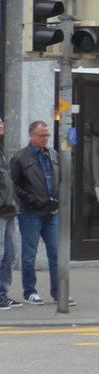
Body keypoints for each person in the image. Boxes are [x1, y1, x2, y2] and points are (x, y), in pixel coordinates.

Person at [9, 120, 72, 306]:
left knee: (56, 253)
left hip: (51, 211)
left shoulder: (52, 154)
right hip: (30, 213)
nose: (45, 139)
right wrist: (30, 198)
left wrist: (59, 198)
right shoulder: (20, 158)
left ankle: (58, 292)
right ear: (32, 135)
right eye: (42, 135)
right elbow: (14, 185)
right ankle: (30, 291)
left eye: (47, 135)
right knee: (29, 255)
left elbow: (60, 179)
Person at [0, 118, 22, 309]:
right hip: (2, 208)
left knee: (10, 251)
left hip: (9, 209)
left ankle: (2, 292)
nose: (2, 126)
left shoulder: (2, 151)